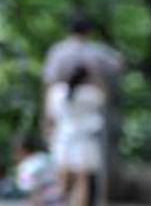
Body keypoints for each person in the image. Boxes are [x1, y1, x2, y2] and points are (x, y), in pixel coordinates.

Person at [46, 66, 107, 206]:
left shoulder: (57, 92)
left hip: (63, 138)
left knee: (63, 180)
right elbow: (104, 96)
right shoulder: (91, 94)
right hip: (84, 140)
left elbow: (51, 115)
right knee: (82, 180)